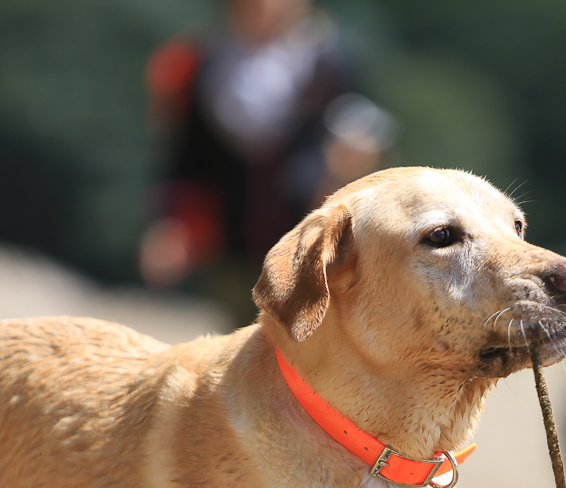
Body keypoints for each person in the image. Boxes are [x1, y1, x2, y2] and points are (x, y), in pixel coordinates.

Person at [140, 0, 395, 324]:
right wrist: (174, 222)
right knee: (244, 332)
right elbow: (189, 156)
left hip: (309, 235)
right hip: (233, 235)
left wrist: (352, 158)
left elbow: (359, 133)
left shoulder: (331, 59)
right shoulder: (204, 62)